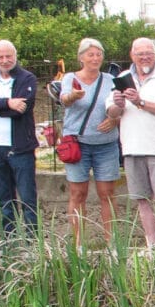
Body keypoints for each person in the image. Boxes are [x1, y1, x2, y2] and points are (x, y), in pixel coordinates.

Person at [107, 38, 155, 248]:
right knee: (142, 200)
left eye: (148, 53)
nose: (144, 57)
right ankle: (153, 247)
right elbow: (112, 113)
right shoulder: (123, 77)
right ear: (132, 55)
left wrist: (140, 102)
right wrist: (118, 104)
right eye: (140, 54)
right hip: (132, 148)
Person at [59, 38, 121, 244]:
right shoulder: (70, 78)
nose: (95, 58)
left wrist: (114, 118)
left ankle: (111, 243)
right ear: (81, 57)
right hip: (78, 144)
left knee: (107, 193)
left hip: (106, 144)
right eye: (90, 54)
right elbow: (64, 99)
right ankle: (78, 244)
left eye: (98, 54)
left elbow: (119, 105)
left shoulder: (110, 79)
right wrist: (73, 96)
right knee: (78, 193)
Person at [0, 40, 39, 234]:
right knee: (4, 199)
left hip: (21, 148)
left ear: (15, 56)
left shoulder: (27, 78)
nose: (5, 60)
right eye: (0, 57)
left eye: (8, 56)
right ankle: (10, 240)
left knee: (27, 198)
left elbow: (21, 110)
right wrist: (7, 102)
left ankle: (31, 243)